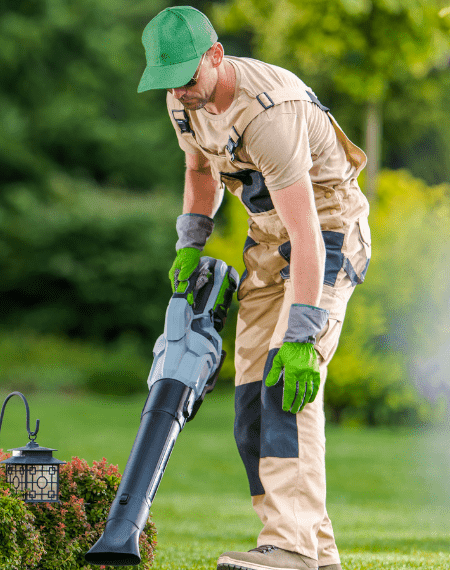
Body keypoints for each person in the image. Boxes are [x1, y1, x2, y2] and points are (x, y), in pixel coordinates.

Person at [137, 6, 372, 570]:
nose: (181, 94)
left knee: (285, 384)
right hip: (266, 242)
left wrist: (303, 333)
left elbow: (309, 235)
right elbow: (199, 171)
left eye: (188, 79)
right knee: (249, 405)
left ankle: (290, 548)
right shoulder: (183, 100)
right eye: (169, 83)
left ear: (215, 55)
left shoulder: (269, 111)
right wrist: (190, 243)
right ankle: (313, 551)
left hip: (326, 233)